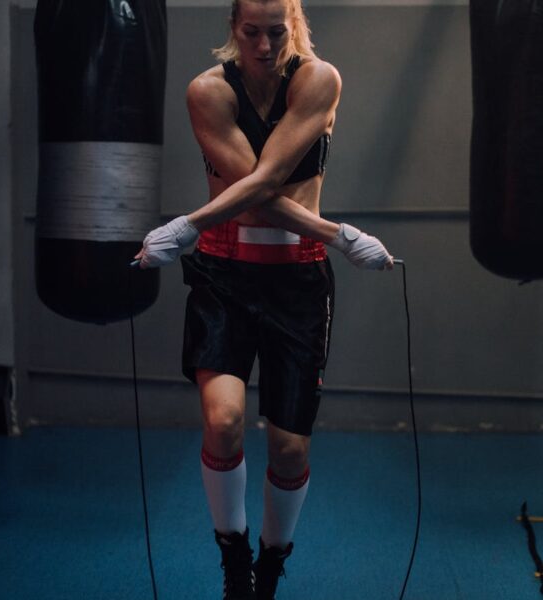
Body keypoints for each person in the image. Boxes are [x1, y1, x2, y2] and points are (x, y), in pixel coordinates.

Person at [134, 1, 393, 598]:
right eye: (251, 32)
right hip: (225, 276)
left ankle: (273, 563)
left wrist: (187, 222)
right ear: (234, 29)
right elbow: (250, 198)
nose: (264, 45)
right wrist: (340, 233)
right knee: (222, 421)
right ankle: (235, 561)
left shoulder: (318, 79)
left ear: (294, 25)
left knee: (288, 445)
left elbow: (268, 178)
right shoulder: (209, 93)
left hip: (297, 282)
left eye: (277, 32)